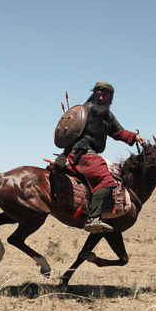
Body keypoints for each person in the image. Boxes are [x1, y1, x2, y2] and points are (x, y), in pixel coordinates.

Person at [57, 81, 146, 233]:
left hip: (91, 153)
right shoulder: (84, 111)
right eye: (98, 94)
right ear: (94, 94)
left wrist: (135, 136)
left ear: (110, 97)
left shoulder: (107, 116)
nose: (100, 97)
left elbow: (118, 132)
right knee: (106, 180)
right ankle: (93, 218)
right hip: (82, 153)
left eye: (105, 95)